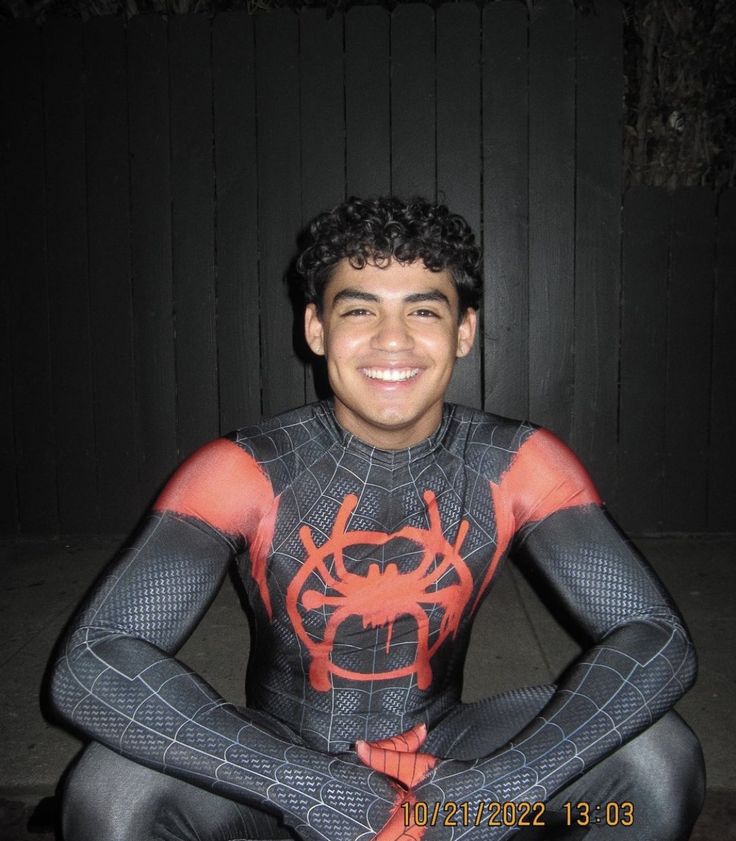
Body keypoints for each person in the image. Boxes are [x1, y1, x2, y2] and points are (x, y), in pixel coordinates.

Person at [50, 196, 704, 841]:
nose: (393, 339)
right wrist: (309, 784)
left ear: (464, 330)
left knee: (657, 759)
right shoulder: (243, 470)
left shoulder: (519, 463)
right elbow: (92, 663)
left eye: (423, 309)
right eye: (359, 309)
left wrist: (507, 782)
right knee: (110, 787)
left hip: (452, 772)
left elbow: (654, 634)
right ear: (316, 328)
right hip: (283, 766)